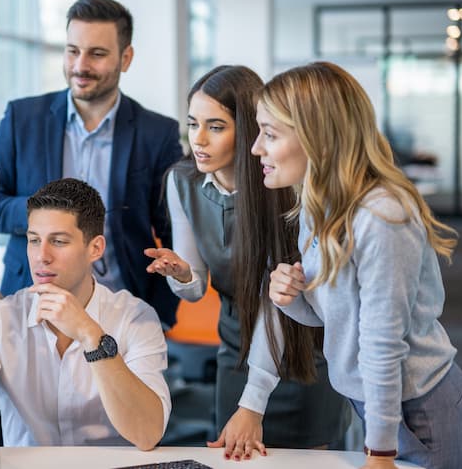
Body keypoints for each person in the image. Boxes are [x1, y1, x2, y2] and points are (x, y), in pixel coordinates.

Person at [256, 61, 462, 469]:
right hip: (378, 402)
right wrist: (290, 297)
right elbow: (334, 318)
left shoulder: (381, 215)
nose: (256, 148)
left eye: (269, 134)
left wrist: (379, 452)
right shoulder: (319, 204)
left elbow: (381, 341)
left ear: (316, 137)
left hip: (421, 409)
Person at [145, 65, 348, 460]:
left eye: (216, 127)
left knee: (306, 461)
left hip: (301, 347)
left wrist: (254, 403)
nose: (199, 140)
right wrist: (183, 274)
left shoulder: (282, 182)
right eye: (192, 124)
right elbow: (195, 287)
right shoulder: (182, 181)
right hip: (236, 346)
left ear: (250, 130)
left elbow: (277, 300)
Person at [0, 0, 182, 327]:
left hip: (122, 310)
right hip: (30, 306)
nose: (80, 66)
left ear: (126, 57)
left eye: (97, 54)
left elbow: (176, 230)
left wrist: (160, 313)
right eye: (72, 50)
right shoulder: (22, 118)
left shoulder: (157, 133)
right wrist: (48, 215)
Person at [0, 178, 170, 450]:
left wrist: (92, 337)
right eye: (34, 240)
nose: (42, 255)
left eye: (58, 241)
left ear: (96, 248)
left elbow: (148, 434)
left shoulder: (135, 318)